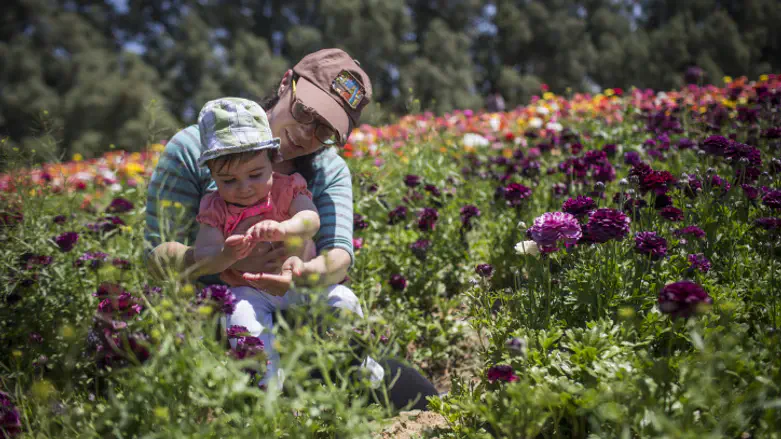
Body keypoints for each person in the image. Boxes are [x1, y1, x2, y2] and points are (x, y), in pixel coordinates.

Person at [145, 48, 439, 409]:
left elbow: (339, 255)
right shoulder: (192, 149)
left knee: (410, 391)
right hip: (215, 317)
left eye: (325, 130)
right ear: (286, 83)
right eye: (304, 112)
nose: (305, 134)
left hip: (301, 314)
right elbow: (155, 256)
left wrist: (301, 274)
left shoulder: (327, 170)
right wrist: (218, 258)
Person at [191, 97, 323, 388]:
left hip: (300, 281)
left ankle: (362, 365)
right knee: (240, 321)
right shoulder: (214, 207)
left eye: (255, 174)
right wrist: (226, 254)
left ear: (272, 160)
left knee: (342, 302)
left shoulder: (288, 187)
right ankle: (265, 385)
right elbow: (203, 255)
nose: (244, 187)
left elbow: (311, 220)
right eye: (228, 180)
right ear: (211, 174)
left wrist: (283, 228)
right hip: (249, 289)